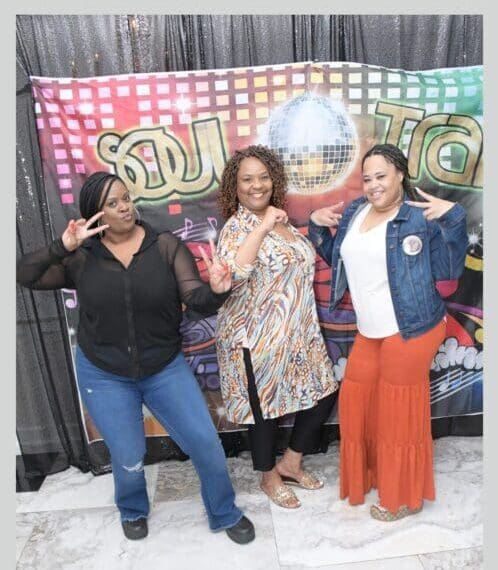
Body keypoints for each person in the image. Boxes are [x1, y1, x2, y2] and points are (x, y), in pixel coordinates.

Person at [16, 171, 255, 544]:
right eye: (112, 203)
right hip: (104, 373)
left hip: (164, 368)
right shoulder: (80, 259)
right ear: (95, 214)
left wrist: (219, 291)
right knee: (127, 454)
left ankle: (224, 512)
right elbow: (23, 275)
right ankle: (132, 508)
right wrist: (61, 247)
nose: (124, 207)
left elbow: (196, 301)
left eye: (126, 198)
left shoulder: (164, 247)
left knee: (205, 442)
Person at [307, 143, 468, 521]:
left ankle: (403, 498)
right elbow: (340, 257)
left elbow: (448, 272)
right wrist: (316, 227)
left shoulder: (419, 218)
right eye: (367, 178)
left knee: (399, 412)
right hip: (370, 330)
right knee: (358, 401)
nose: (374, 185)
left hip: (411, 328)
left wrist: (455, 220)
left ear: (400, 174)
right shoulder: (355, 212)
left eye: (381, 176)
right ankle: (376, 474)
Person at [215, 145, 339, 509]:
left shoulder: (280, 220)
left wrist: (308, 223)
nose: (257, 185)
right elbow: (235, 274)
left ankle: (291, 462)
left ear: (274, 180)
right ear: (234, 188)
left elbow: (290, 259)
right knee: (264, 410)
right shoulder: (236, 228)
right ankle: (268, 476)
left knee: (324, 394)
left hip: (300, 334)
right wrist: (264, 226)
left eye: (263, 177)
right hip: (256, 338)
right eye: (247, 179)